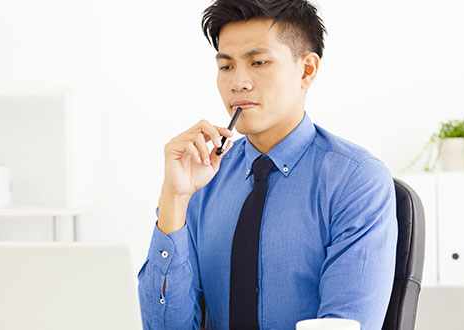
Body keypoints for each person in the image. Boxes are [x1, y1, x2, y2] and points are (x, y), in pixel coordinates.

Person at [137, 1, 398, 329]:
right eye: (227, 66)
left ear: (307, 70)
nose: (238, 83)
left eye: (258, 62)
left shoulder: (354, 180)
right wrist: (174, 199)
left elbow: (344, 323)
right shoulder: (204, 181)